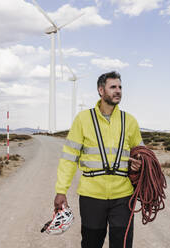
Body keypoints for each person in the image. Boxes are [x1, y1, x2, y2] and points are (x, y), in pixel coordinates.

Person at [53, 71, 144, 248]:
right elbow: (69, 158)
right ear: (101, 91)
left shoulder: (129, 121)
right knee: (91, 243)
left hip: (123, 196)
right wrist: (61, 190)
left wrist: (140, 164)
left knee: (122, 244)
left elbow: (141, 153)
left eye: (120, 87)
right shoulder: (83, 119)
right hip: (91, 196)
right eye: (113, 87)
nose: (118, 91)